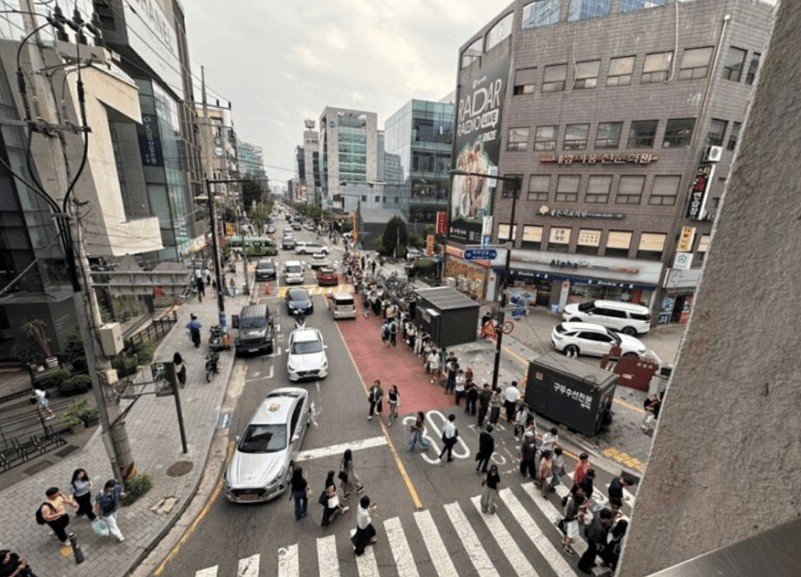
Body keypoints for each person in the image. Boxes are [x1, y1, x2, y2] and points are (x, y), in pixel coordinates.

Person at [578, 508, 615, 574]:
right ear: (605, 518)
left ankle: (590, 563)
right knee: (590, 553)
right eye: (609, 519)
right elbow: (597, 541)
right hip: (593, 541)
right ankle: (583, 566)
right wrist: (598, 547)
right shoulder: (599, 529)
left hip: (591, 535)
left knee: (591, 553)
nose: (610, 521)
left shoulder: (598, 516)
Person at [560, 491, 587, 556]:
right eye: (583, 499)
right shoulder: (574, 506)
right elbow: (571, 517)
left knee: (566, 531)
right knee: (571, 535)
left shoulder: (573, 501)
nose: (585, 499)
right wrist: (579, 514)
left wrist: (583, 506)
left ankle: (563, 541)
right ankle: (566, 547)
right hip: (571, 521)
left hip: (568, 519)